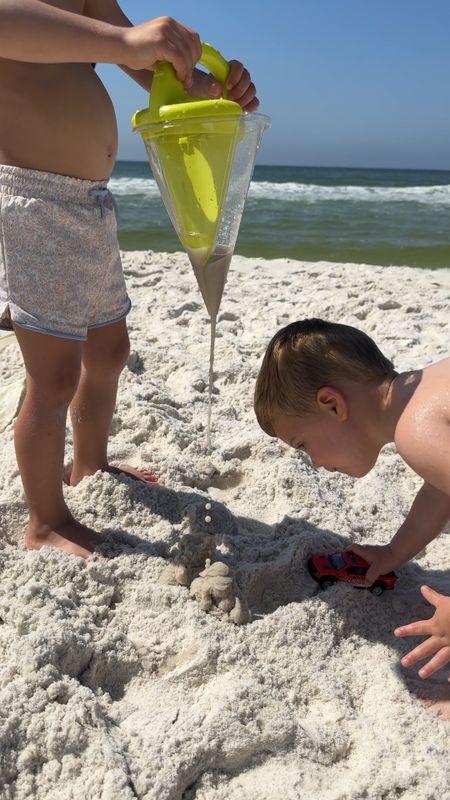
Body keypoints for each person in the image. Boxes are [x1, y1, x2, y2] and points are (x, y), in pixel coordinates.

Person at [0, 0, 259, 559]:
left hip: (89, 203)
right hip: (33, 205)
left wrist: (208, 87)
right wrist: (122, 43)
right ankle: (44, 520)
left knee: (110, 349)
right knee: (54, 376)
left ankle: (89, 464)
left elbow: (146, 63)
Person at [254, 318, 450, 681]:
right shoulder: (427, 393)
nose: (314, 462)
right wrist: (393, 553)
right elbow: (440, 492)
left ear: (332, 405)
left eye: (302, 444)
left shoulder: (415, 431)